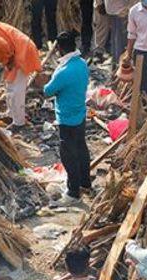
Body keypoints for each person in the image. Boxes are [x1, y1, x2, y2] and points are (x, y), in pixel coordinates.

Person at [43, 31, 91, 204]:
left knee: (68, 155)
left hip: (67, 118)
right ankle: (85, 183)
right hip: (80, 113)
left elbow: (47, 91)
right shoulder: (82, 64)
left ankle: (73, 192)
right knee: (81, 149)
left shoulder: (63, 71)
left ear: (61, 49)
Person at [104, 0, 129, 66]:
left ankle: (115, 60)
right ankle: (119, 62)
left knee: (115, 35)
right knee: (119, 38)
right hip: (120, 9)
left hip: (114, 8)